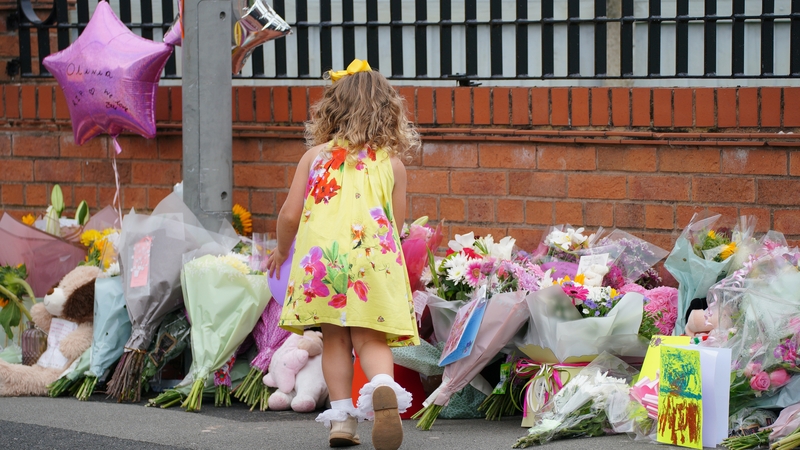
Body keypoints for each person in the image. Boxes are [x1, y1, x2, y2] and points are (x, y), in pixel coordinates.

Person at [266, 59, 420, 450]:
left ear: (331, 109)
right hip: (373, 259)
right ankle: (383, 385)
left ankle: (342, 423)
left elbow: (289, 214)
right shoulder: (393, 165)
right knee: (370, 339)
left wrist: (282, 251)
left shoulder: (315, 157)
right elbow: (396, 227)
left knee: (334, 338)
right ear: (388, 112)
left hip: (325, 262)